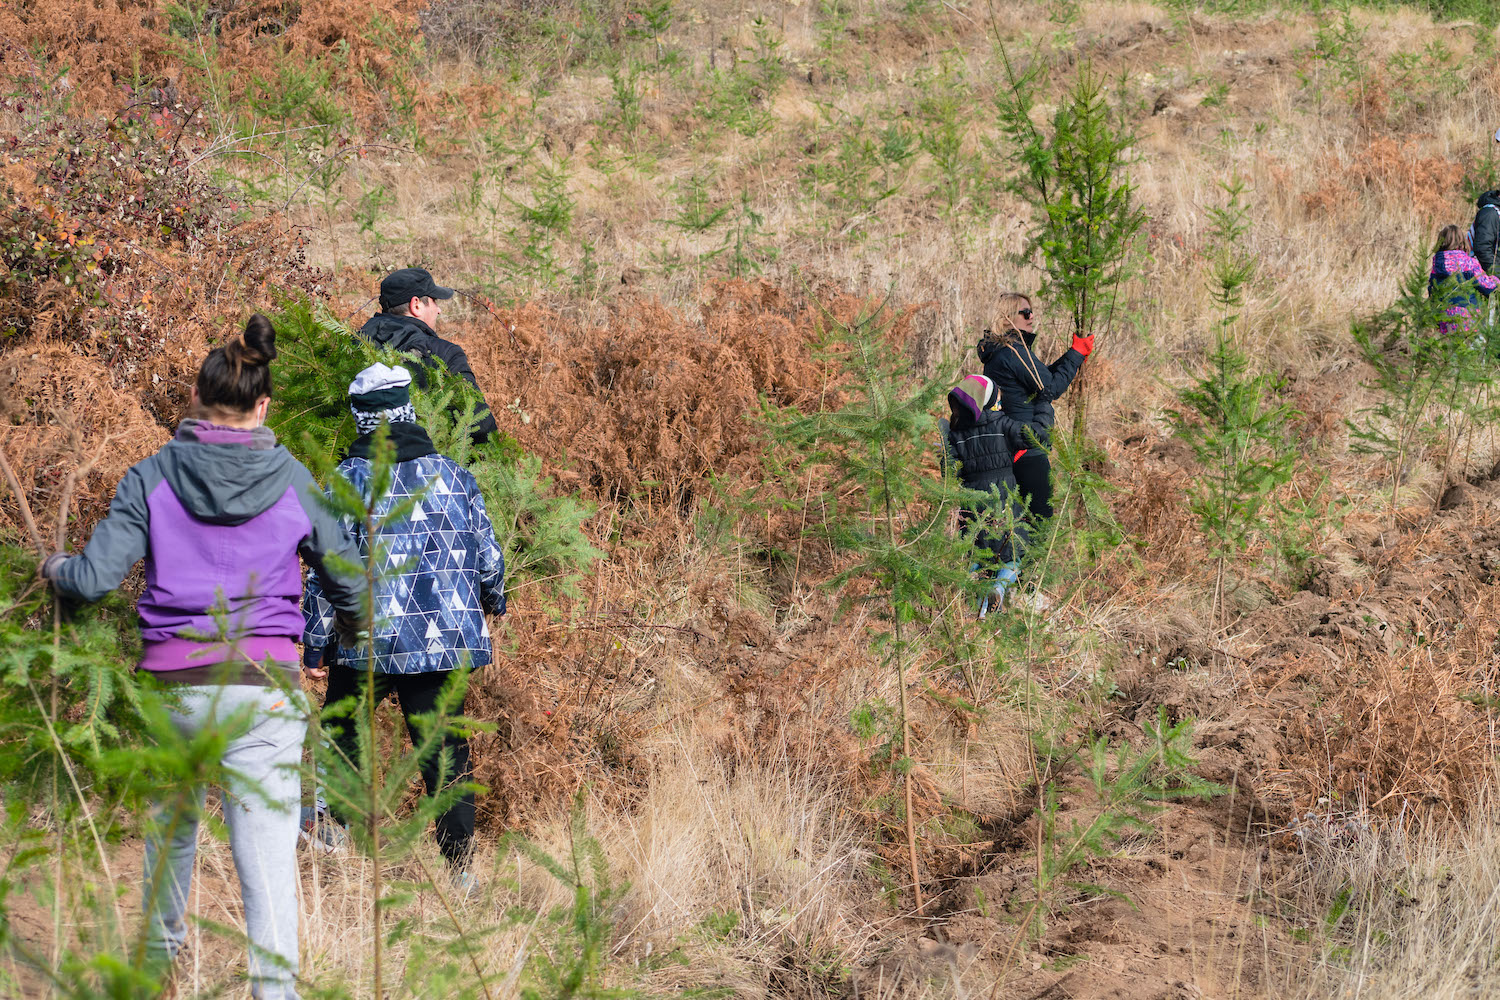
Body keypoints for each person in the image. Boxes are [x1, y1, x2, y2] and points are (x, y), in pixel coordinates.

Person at [39, 315, 367, 1000]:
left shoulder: (151, 476)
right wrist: (350, 631)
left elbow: (93, 580)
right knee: (267, 867)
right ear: (263, 406)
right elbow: (351, 585)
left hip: (172, 688)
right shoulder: (294, 481)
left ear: (195, 396)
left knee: (168, 844)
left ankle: (154, 970)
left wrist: (54, 568)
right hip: (264, 688)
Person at [302, 362, 506, 879]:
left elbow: (328, 569)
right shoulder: (455, 476)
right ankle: (461, 872)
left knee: (340, 727)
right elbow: (489, 558)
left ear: (360, 419)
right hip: (443, 640)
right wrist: (493, 603)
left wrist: (315, 642)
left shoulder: (347, 481)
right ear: (408, 411)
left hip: (365, 639)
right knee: (444, 751)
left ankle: (332, 833)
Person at [976, 292, 1092, 525]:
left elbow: (1041, 378)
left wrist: (1073, 356)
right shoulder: (1013, 351)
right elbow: (1049, 389)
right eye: (1025, 312)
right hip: (1028, 447)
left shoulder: (999, 352)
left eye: (1031, 312)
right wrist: (1077, 354)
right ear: (1007, 318)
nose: (1031, 317)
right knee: (1040, 524)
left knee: (1018, 526)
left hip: (1011, 447)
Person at [358, 268, 498, 443]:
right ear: (416, 305)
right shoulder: (444, 354)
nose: (439, 310)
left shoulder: (353, 345)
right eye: (434, 301)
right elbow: (480, 425)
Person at [943, 374, 1033, 617]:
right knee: (1014, 552)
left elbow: (948, 471)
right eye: (998, 400)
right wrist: (1044, 409)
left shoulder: (955, 434)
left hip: (972, 504)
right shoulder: (1002, 424)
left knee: (977, 554)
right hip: (1004, 501)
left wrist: (944, 440)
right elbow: (1034, 437)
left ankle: (978, 609)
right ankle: (999, 588)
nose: (1000, 405)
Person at [1430, 224, 1498, 336]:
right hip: (1467, 318)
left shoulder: (1436, 264)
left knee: (1449, 345)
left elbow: (1432, 291)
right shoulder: (1468, 262)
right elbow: (1487, 286)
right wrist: (1495, 279)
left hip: (1443, 317)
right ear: (1462, 241)